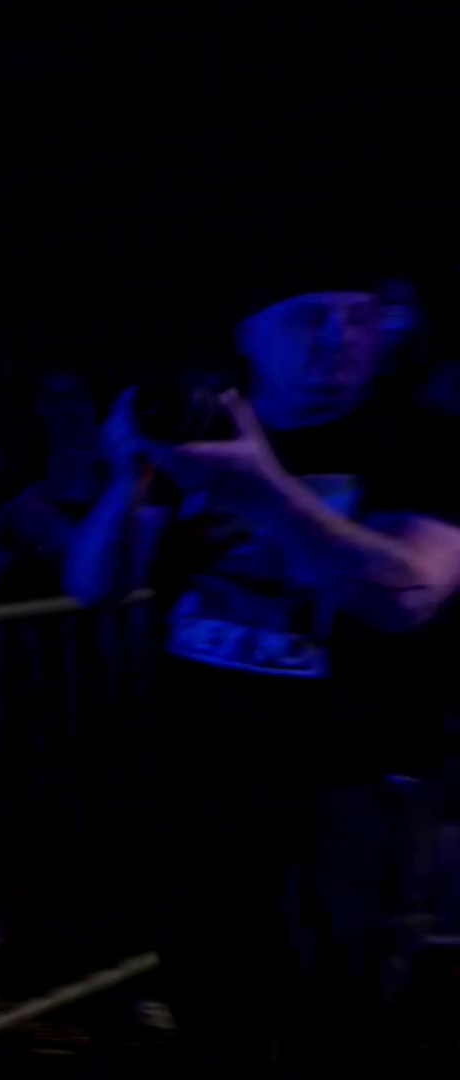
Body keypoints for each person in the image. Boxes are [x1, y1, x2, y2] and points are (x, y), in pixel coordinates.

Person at [65, 261, 460, 1078]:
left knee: (340, 1021)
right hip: (201, 781)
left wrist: (260, 490)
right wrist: (127, 475)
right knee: (214, 1013)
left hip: (347, 794)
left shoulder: (424, 443)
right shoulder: (199, 432)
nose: (340, 338)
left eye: (359, 317)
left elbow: (410, 596)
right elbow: (93, 582)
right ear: (249, 335)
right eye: (310, 316)